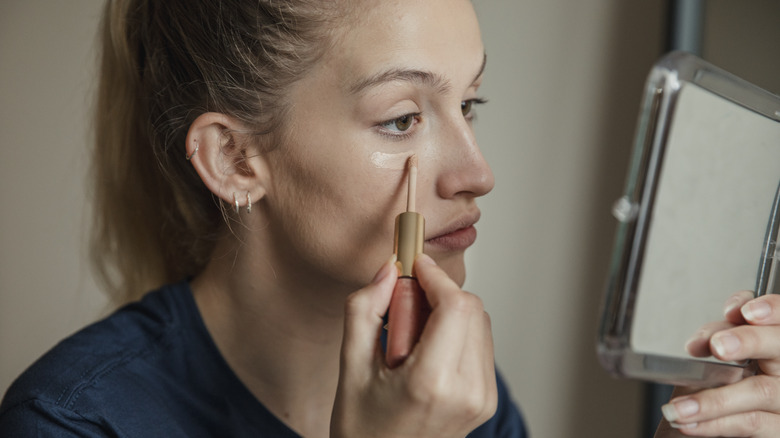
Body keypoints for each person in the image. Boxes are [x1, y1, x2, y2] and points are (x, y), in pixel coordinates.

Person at [0, 0, 523, 436]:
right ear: (234, 159)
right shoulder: (71, 421)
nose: (478, 173)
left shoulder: (452, 393)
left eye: (470, 103)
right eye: (401, 119)